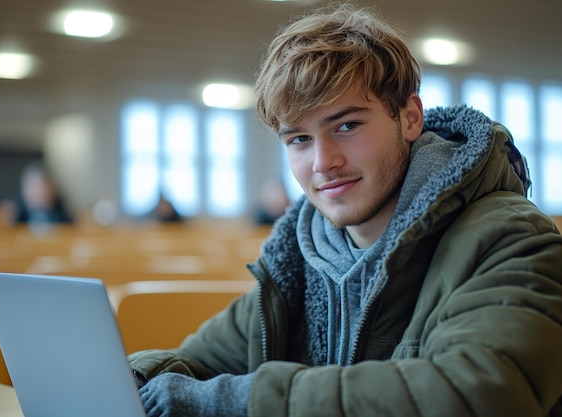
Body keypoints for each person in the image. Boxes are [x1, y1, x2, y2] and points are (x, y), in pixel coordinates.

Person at [128, 4, 562, 417]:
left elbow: (480, 396)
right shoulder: (298, 257)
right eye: (299, 139)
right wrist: (126, 379)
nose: (322, 162)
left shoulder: (513, 239)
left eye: (347, 125)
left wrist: (232, 403)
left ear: (410, 117)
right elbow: (193, 365)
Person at [10, 161, 73, 225]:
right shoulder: (17, 212)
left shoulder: (62, 213)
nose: (38, 193)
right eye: (33, 188)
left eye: (43, 188)